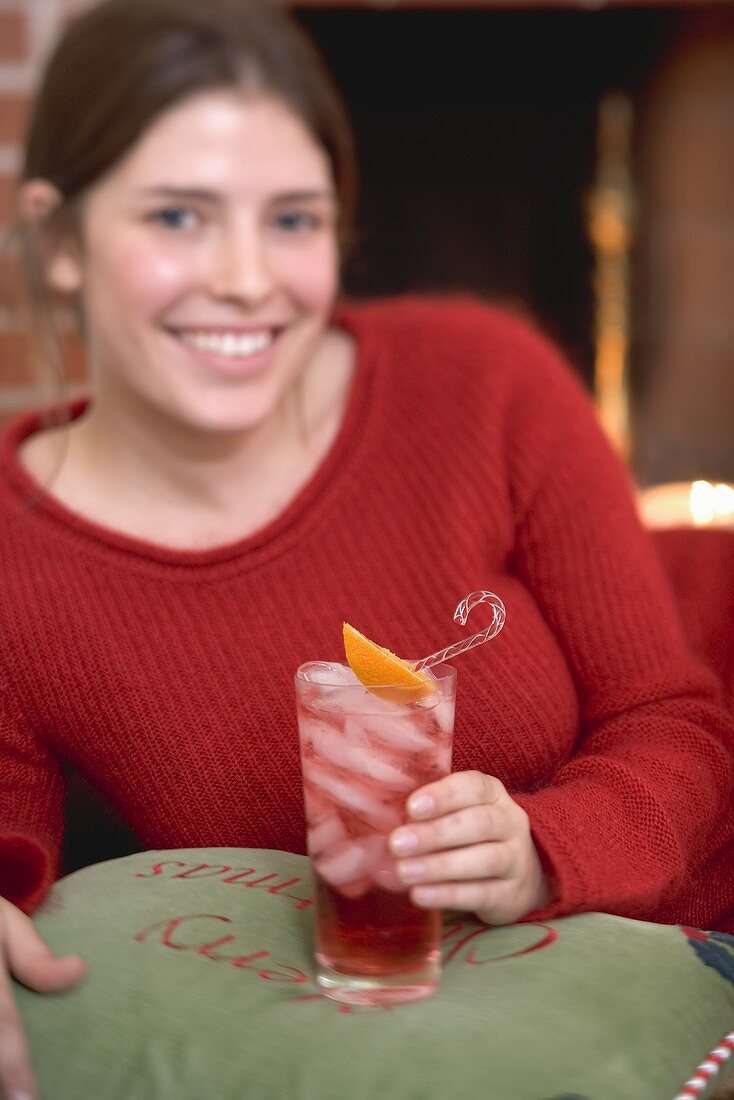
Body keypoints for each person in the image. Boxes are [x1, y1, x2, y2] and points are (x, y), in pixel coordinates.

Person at [1, 0, 733, 1095]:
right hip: (384, 1034)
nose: (248, 277)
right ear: (59, 239)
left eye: (292, 220)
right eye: (178, 217)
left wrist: (541, 843)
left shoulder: (485, 381)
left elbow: (675, 718)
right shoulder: (17, 553)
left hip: (677, 945)